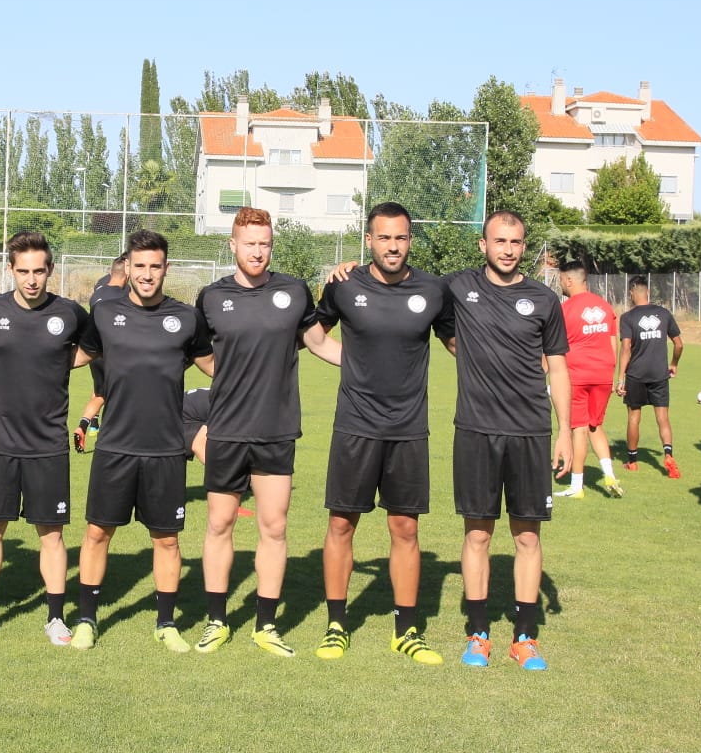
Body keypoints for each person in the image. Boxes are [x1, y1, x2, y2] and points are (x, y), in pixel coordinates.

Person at [194, 207, 342, 657]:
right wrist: (228, 378)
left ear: (270, 245)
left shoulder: (293, 291)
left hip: (276, 429)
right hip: (227, 428)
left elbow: (318, 342)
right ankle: (216, 621)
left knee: (274, 527)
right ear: (232, 246)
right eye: (249, 243)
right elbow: (201, 350)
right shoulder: (211, 297)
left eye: (264, 243)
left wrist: (369, 367)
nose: (257, 251)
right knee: (219, 523)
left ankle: (265, 624)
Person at [312, 202, 454, 663]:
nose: (393, 246)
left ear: (410, 240)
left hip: (409, 429)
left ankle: (407, 629)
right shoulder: (345, 285)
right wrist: (348, 364)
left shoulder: (433, 290)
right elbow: (312, 335)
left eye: (401, 238)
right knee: (340, 523)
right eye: (384, 237)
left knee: (405, 527)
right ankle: (336, 624)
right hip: (354, 424)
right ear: (369, 240)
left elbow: (458, 344)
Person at [67, 230, 214, 652]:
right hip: (114, 446)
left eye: (155, 266)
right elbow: (73, 358)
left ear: (166, 268)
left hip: (166, 448)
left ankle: (166, 623)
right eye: (140, 266)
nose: (147, 274)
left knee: (167, 539)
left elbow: (216, 369)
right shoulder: (105, 315)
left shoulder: (186, 318)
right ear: (127, 267)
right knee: (97, 534)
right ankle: (86, 619)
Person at [443, 210, 571, 671]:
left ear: (524, 246)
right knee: (477, 533)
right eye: (499, 241)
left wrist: (567, 434)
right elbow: (404, 285)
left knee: (528, 537)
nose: (508, 249)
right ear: (483, 245)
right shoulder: (457, 288)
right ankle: (478, 633)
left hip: (531, 432)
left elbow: (558, 366)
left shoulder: (543, 299)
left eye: (516, 242)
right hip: (475, 430)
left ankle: (524, 637)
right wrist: (348, 272)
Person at [0, 232, 91, 645]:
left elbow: (93, 348)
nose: (32, 279)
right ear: (11, 269)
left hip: (48, 444)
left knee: (51, 534)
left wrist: (57, 366)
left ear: (50, 270)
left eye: (39, 271)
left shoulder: (71, 314)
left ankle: (56, 618)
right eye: (24, 271)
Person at [554, 261, 623, 499]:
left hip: (577, 373)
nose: (561, 283)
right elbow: (614, 342)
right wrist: (612, 375)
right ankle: (610, 475)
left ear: (570, 280)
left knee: (579, 429)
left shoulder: (565, 309)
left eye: (561, 279)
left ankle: (577, 486)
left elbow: (555, 347)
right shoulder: (605, 307)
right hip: (604, 373)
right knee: (596, 426)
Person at [617, 276, 683, 477]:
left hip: (636, 374)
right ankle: (668, 455)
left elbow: (626, 347)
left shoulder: (627, 318)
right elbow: (679, 344)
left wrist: (621, 378)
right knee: (662, 417)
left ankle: (632, 461)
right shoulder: (663, 313)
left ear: (631, 293)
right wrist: (673, 364)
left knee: (634, 417)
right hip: (659, 374)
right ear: (648, 293)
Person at [75, 253, 128, 446]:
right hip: (113, 354)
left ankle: (86, 423)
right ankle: (110, 436)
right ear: (128, 272)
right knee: (119, 396)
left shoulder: (97, 292)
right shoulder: (124, 296)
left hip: (93, 354)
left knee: (100, 392)